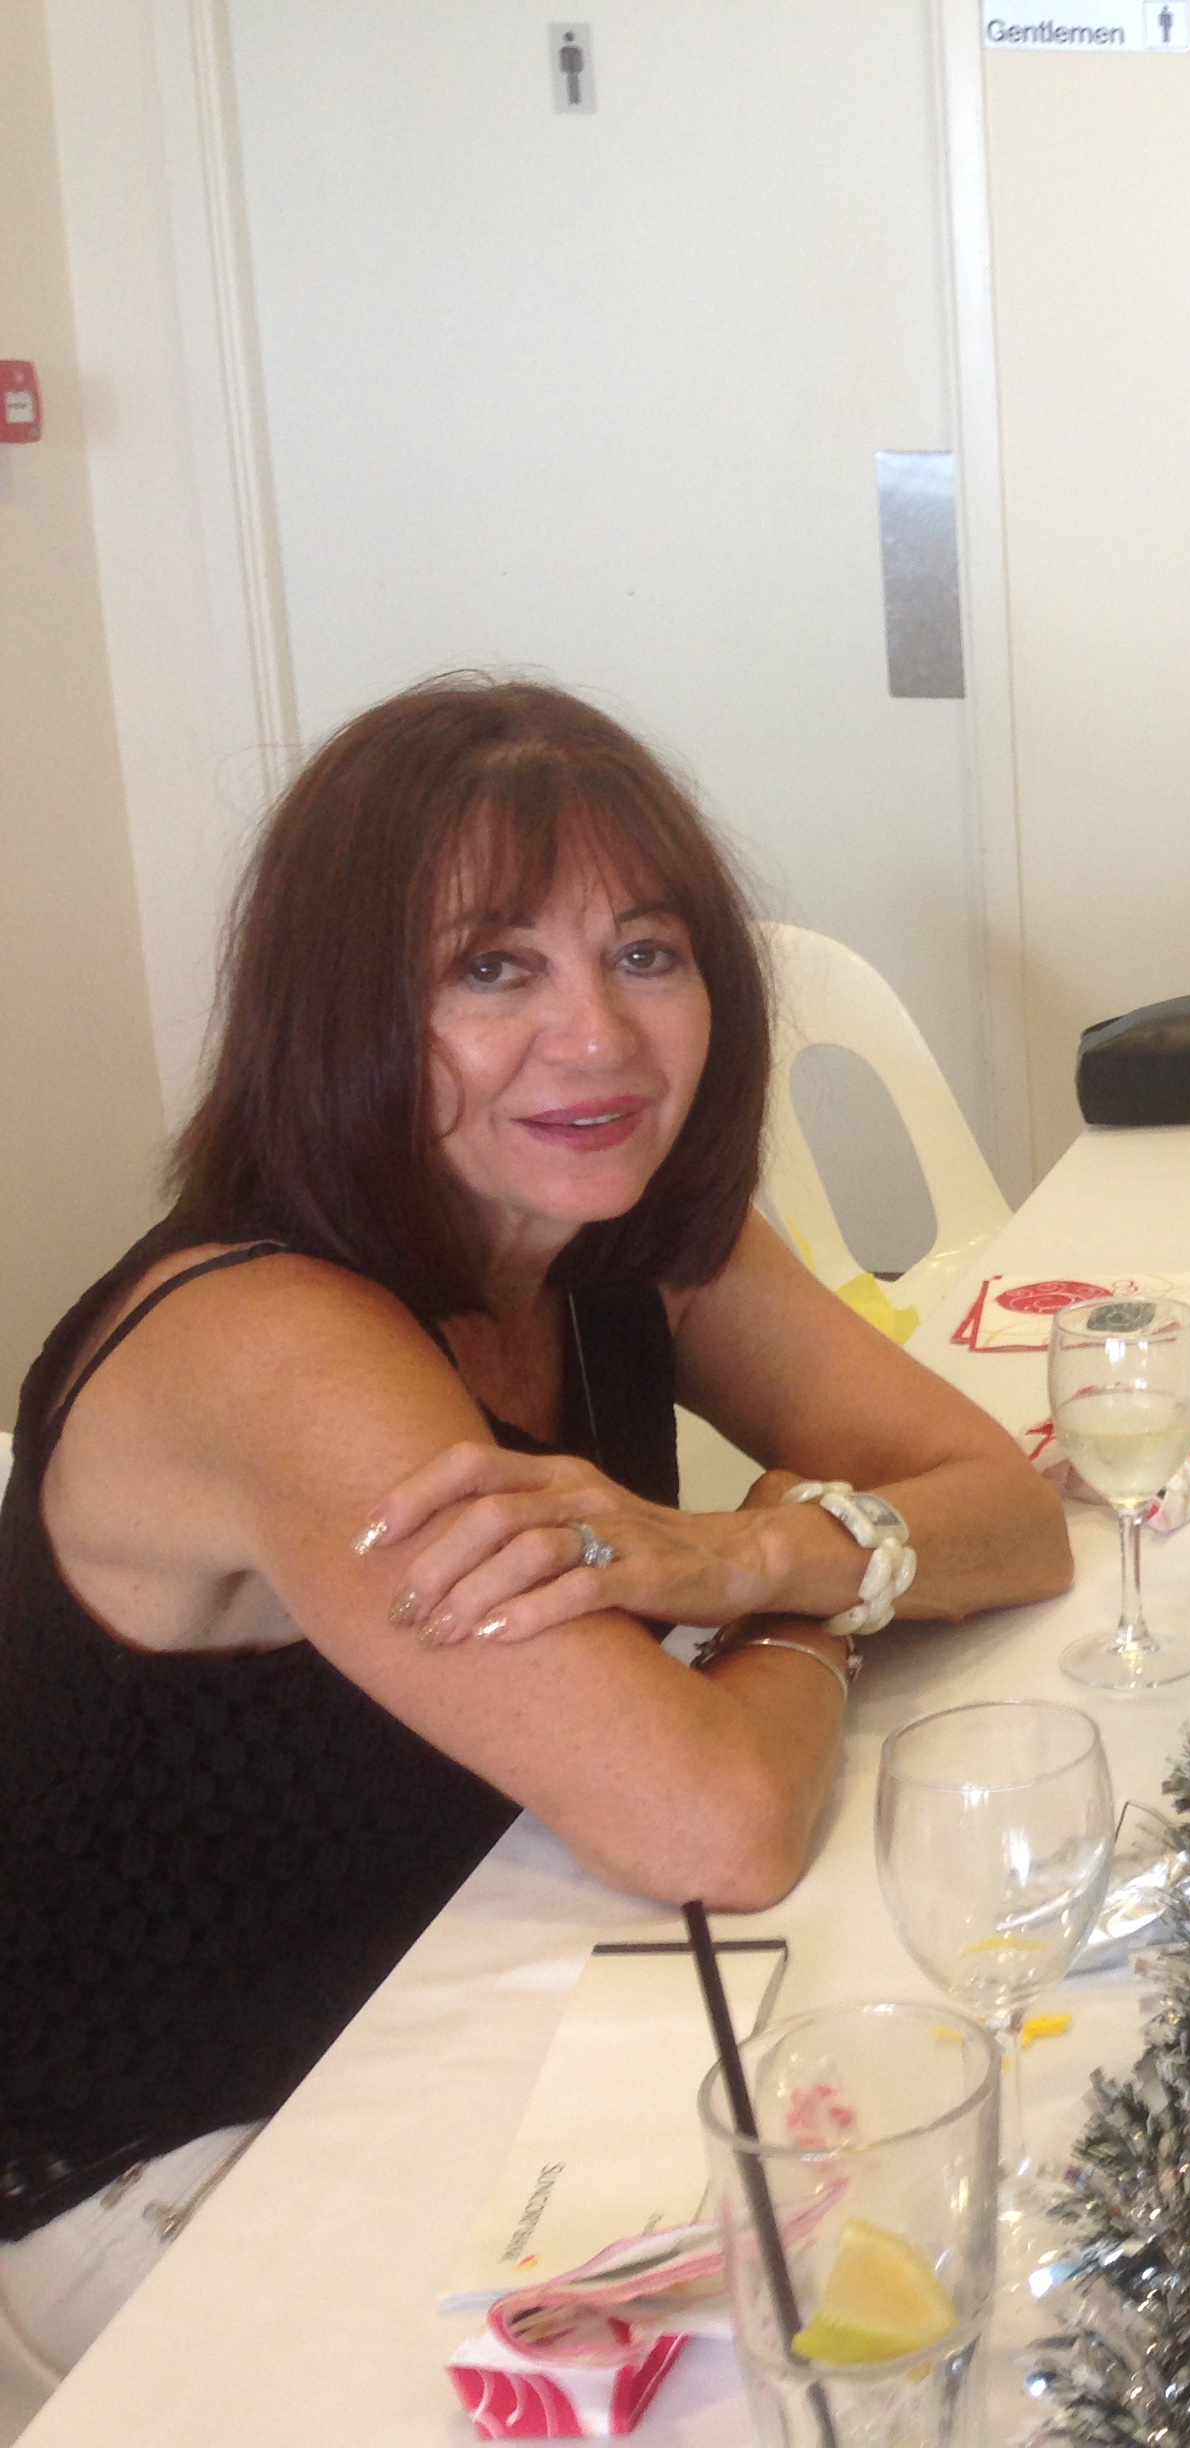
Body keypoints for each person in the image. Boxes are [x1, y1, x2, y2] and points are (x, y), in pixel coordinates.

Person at [0, 678, 1072, 2401]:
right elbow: (714, 1821)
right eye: (492, 969)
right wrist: (811, 1591)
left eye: (646, 954)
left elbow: (1008, 1513)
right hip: (183, 2155)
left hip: (485, 1975)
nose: (600, 1040)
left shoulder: (618, 1224)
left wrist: (747, 1562)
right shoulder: (274, 1347)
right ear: (340, 1010)